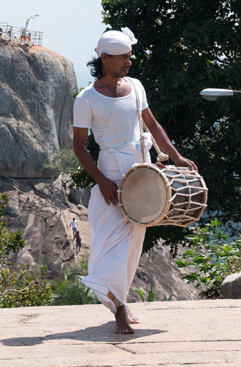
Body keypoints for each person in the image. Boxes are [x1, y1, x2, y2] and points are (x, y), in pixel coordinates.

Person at [73, 28, 197, 334]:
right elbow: (77, 145)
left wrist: (175, 156)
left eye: (130, 55)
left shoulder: (136, 87)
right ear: (105, 58)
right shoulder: (86, 99)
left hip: (140, 171)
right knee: (113, 243)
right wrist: (101, 181)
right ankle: (117, 310)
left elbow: (152, 126)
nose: (130, 61)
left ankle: (121, 300)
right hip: (111, 172)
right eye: (124, 57)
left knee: (132, 244)